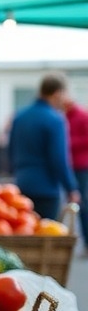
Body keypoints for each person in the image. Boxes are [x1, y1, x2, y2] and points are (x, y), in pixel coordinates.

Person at [8, 75, 80, 221]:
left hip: (22, 184)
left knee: (25, 233)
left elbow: (10, 150)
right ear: (57, 93)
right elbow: (59, 159)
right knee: (47, 236)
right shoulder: (55, 119)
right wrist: (71, 188)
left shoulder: (19, 116)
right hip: (46, 189)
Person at [65, 97, 88, 253]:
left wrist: (67, 142)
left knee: (82, 202)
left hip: (81, 165)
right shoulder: (61, 117)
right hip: (68, 165)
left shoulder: (82, 116)